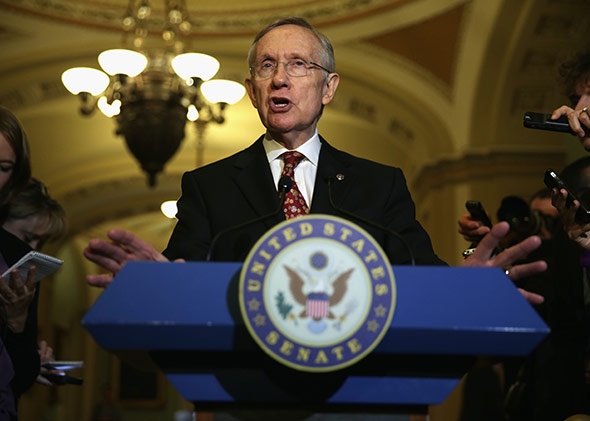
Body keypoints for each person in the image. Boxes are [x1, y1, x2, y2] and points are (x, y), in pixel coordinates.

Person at [84, 16, 547, 419]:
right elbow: (184, 272)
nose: (280, 79)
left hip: (362, 393)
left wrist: (469, 289)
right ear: (251, 91)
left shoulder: (378, 184)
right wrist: (159, 286)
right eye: (266, 67)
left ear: (329, 87)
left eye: (297, 65)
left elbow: (418, 276)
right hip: (243, 396)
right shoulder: (209, 185)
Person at [0, 177, 67, 418]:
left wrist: (30, 356)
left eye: (41, 241)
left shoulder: (23, 284)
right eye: (28, 238)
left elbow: (20, 376)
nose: (33, 249)